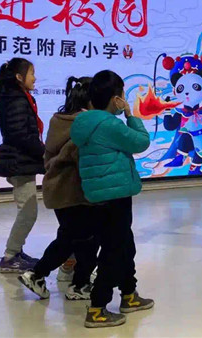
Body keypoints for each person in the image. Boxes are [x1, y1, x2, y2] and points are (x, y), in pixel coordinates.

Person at [71, 70, 154, 328]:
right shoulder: (109, 124)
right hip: (115, 194)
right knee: (114, 250)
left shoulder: (84, 122)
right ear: (115, 98)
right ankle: (97, 308)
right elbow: (141, 142)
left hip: (100, 194)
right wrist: (130, 113)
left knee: (124, 244)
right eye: (122, 95)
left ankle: (129, 294)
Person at [18, 77, 99, 301]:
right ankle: (59, 279)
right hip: (76, 191)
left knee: (72, 236)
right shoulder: (86, 123)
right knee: (84, 239)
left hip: (57, 190)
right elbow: (82, 156)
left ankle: (68, 279)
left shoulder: (60, 119)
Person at [0, 58, 45, 273]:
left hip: (21, 161)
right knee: (28, 211)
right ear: (19, 77)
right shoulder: (15, 99)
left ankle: (16, 252)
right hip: (19, 161)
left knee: (27, 209)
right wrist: (45, 153)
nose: (34, 78)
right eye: (31, 73)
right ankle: (10, 256)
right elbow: (20, 136)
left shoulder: (15, 97)